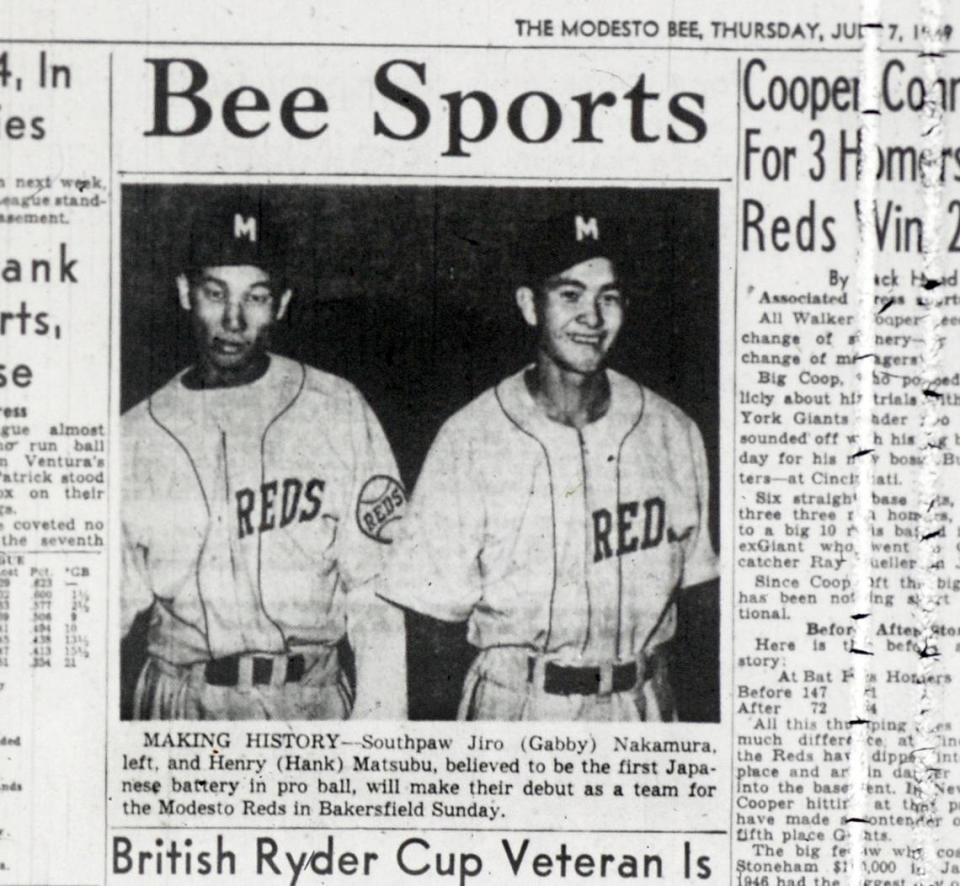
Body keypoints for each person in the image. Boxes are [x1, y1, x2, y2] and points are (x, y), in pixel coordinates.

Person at [385, 209, 718, 721]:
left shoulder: (671, 432)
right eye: (570, 294)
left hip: (643, 705)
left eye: (608, 297)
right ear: (529, 305)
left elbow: (699, 596)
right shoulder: (471, 438)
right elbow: (429, 623)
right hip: (520, 706)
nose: (592, 316)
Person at [121, 200, 407, 720]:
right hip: (180, 701)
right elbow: (101, 607)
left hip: (309, 698)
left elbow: (376, 589)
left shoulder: (336, 407)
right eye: (215, 293)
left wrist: (381, 730)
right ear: (186, 293)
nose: (233, 319)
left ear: (282, 303)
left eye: (256, 296)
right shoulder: (135, 434)